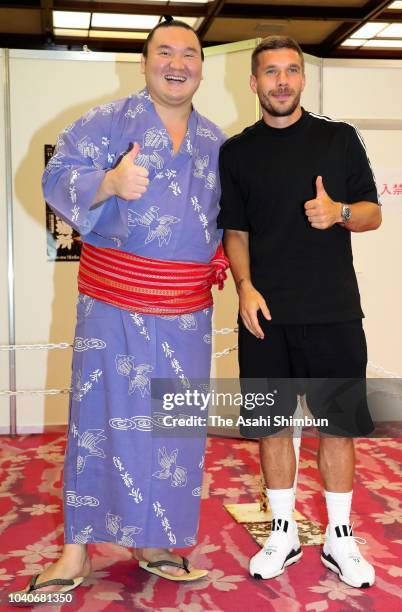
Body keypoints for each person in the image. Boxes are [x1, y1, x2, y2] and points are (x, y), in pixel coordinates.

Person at [13, 18, 228, 598]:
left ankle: (154, 540)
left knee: (176, 427)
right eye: (165, 52)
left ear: (202, 66)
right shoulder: (107, 122)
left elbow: (233, 220)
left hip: (186, 311)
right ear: (144, 61)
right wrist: (108, 182)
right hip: (114, 304)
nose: (177, 63)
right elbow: (55, 175)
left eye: (189, 53)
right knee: (99, 422)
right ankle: (76, 550)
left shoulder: (216, 141)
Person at [218, 35, 381, 589]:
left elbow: (372, 214)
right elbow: (234, 232)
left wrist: (337, 212)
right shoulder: (236, 152)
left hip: (334, 311)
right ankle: (283, 531)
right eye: (271, 72)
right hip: (265, 315)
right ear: (254, 82)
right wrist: (244, 287)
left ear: (302, 79)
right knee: (271, 426)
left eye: (291, 71)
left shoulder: (338, 140)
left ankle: (339, 537)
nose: (282, 81)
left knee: (338, 427)